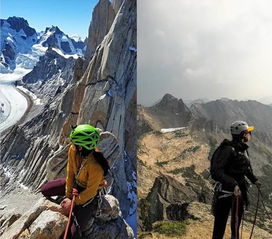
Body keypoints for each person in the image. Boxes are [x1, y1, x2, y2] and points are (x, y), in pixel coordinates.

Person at [41, 124, 110, 238]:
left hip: (88, 196)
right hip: (75, 184)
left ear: (82, 147)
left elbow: (90, 192)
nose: (73, 144)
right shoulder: (73, 150)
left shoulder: (96, 166)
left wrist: (74, 202)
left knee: (72, 235)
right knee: (45, 189)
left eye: (76, 143)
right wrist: (68, 196)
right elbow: (70, 173)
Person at [210, 121, 261, 239]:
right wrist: (233, 184)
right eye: (249, 132)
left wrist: (254, 180)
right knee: (220, 224)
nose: (250, 134)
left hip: (237, 192)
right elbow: (216, 172)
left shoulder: (241, 149)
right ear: (243, 134)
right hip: (225, 193)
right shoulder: (228, 149)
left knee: (236, 223)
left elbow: (244, 168)